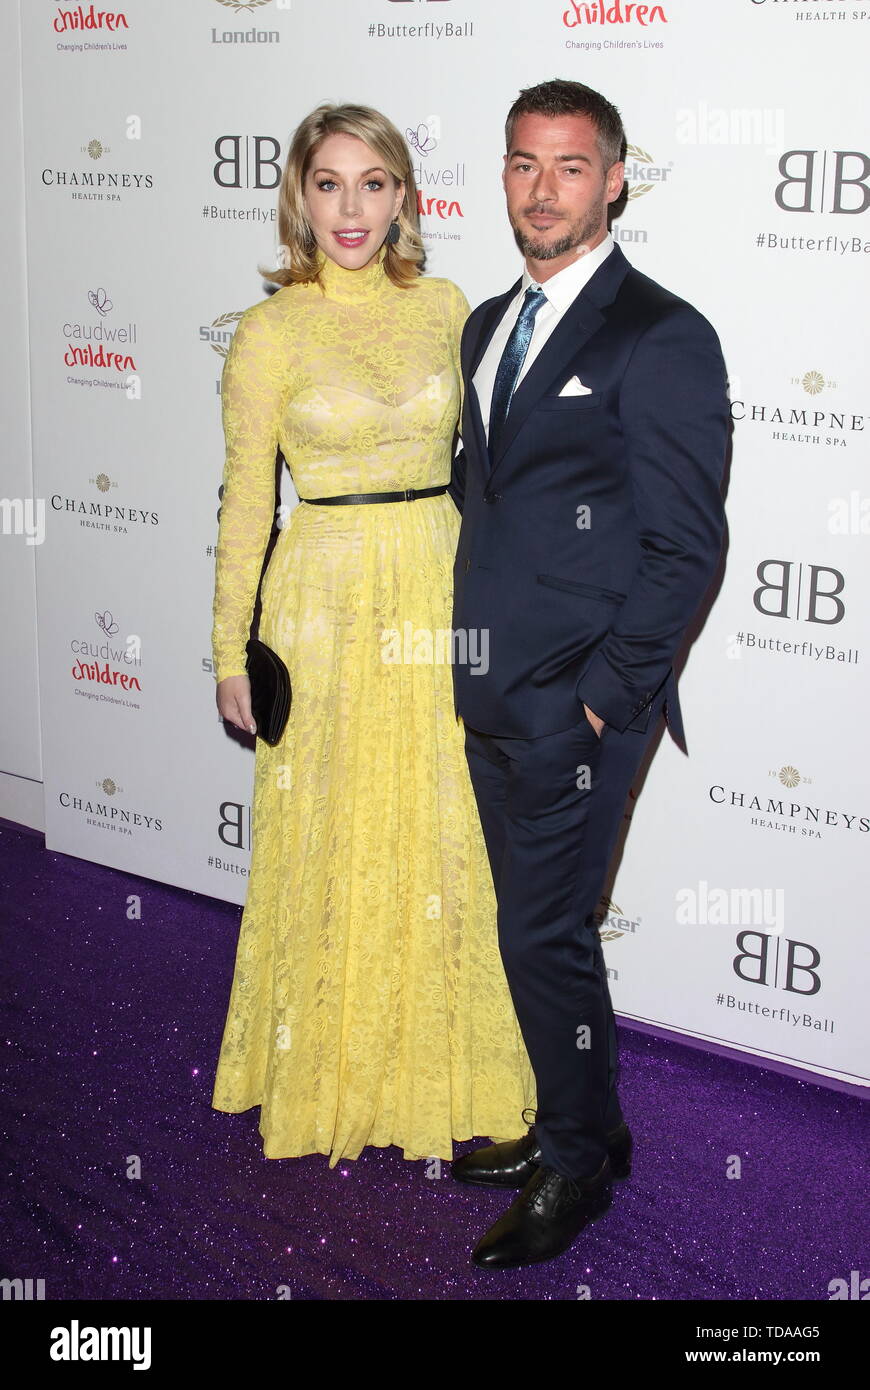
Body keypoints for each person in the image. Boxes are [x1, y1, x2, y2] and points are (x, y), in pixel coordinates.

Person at [210, 103, 534, 1168]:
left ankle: (446, 1062)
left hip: (439, 589)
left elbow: (497, 467)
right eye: (330, 184)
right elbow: (247, 503)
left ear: (405, 197)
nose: (352, 209)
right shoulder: (269, 333)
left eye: (375, 183)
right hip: (326, 601)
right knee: (336, 835)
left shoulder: (447, 307)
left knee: (443, 827)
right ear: (298, 197)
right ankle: (330, 1062)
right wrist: (228, 652)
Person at [447, 79, 729, 1268]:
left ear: (616, 178)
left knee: (542, 933)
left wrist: (606, 693)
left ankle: (575, 1171)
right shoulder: (485, 326)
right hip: (494, 691)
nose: (542, 189)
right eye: (523, 164)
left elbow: (687, 546)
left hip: (580, 709)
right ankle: (586, 1124)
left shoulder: (661, 333)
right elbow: (492, 504)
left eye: (570, 166)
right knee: (542, 936)